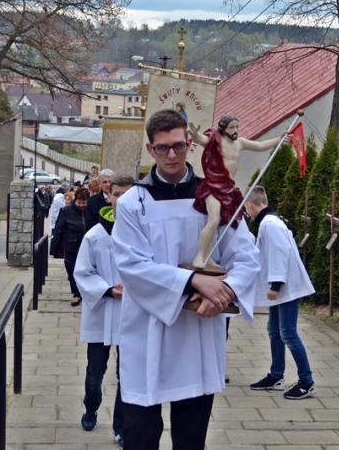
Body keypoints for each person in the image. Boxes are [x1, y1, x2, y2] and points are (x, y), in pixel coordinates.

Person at [112, 109, 260, 450]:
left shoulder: (218, 195)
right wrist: (193, 282)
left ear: (190, 144)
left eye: (178, 145)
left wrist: (224, 291)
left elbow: (246, 256)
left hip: (198, 332)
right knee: (140, 437)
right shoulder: (134, 203)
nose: (171, 155)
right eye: (162, 148)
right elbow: (132, 265)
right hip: (147, 332)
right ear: (150, 149)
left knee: (191, 439)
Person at [74, 174, 135, 448]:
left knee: (127, 374)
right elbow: (83, 272)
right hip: (101, 311)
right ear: (109, 196)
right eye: (117, 194)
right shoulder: (95, 236)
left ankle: (121, 426)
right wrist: (108, 290)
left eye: (127, 195)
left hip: (130, 314)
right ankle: (91, 406)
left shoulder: (141, 234)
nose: (121, 200)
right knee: (95, 372)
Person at [244, 186, 317, 399]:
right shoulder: (270, 222)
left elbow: (279, 253)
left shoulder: (269, 224)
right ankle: (276, 375)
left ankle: (307, 381)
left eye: (245, 208)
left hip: (285, 287)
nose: (246, 212)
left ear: (250, 204)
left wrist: (275, 285)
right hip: (282, 285)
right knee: (274, 330)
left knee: (287, 332)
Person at [189, 115, 284, 270]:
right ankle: (199, 256)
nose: (235, 130)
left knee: (218, 224)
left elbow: (260, 145)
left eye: (236, 127)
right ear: (223, 128)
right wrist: (195, 135)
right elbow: (202, 140)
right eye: (231, 127)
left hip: (228, 189)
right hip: (213, 186)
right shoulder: (216, 140)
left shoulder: (240, 143)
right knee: (214, 219)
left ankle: (208, 257)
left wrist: (278, 139)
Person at [50, 187, 90, 307]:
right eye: (79, 202)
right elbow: (59, 229)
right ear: (75, 200)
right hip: (71, 247)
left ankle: (85, 292)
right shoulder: (67, 211)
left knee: (86, 272)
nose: (81, 205)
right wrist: (54, 249)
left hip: (87, 248)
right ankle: (76, 294)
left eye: (84, 203)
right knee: (72, 271)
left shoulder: (90, 211)